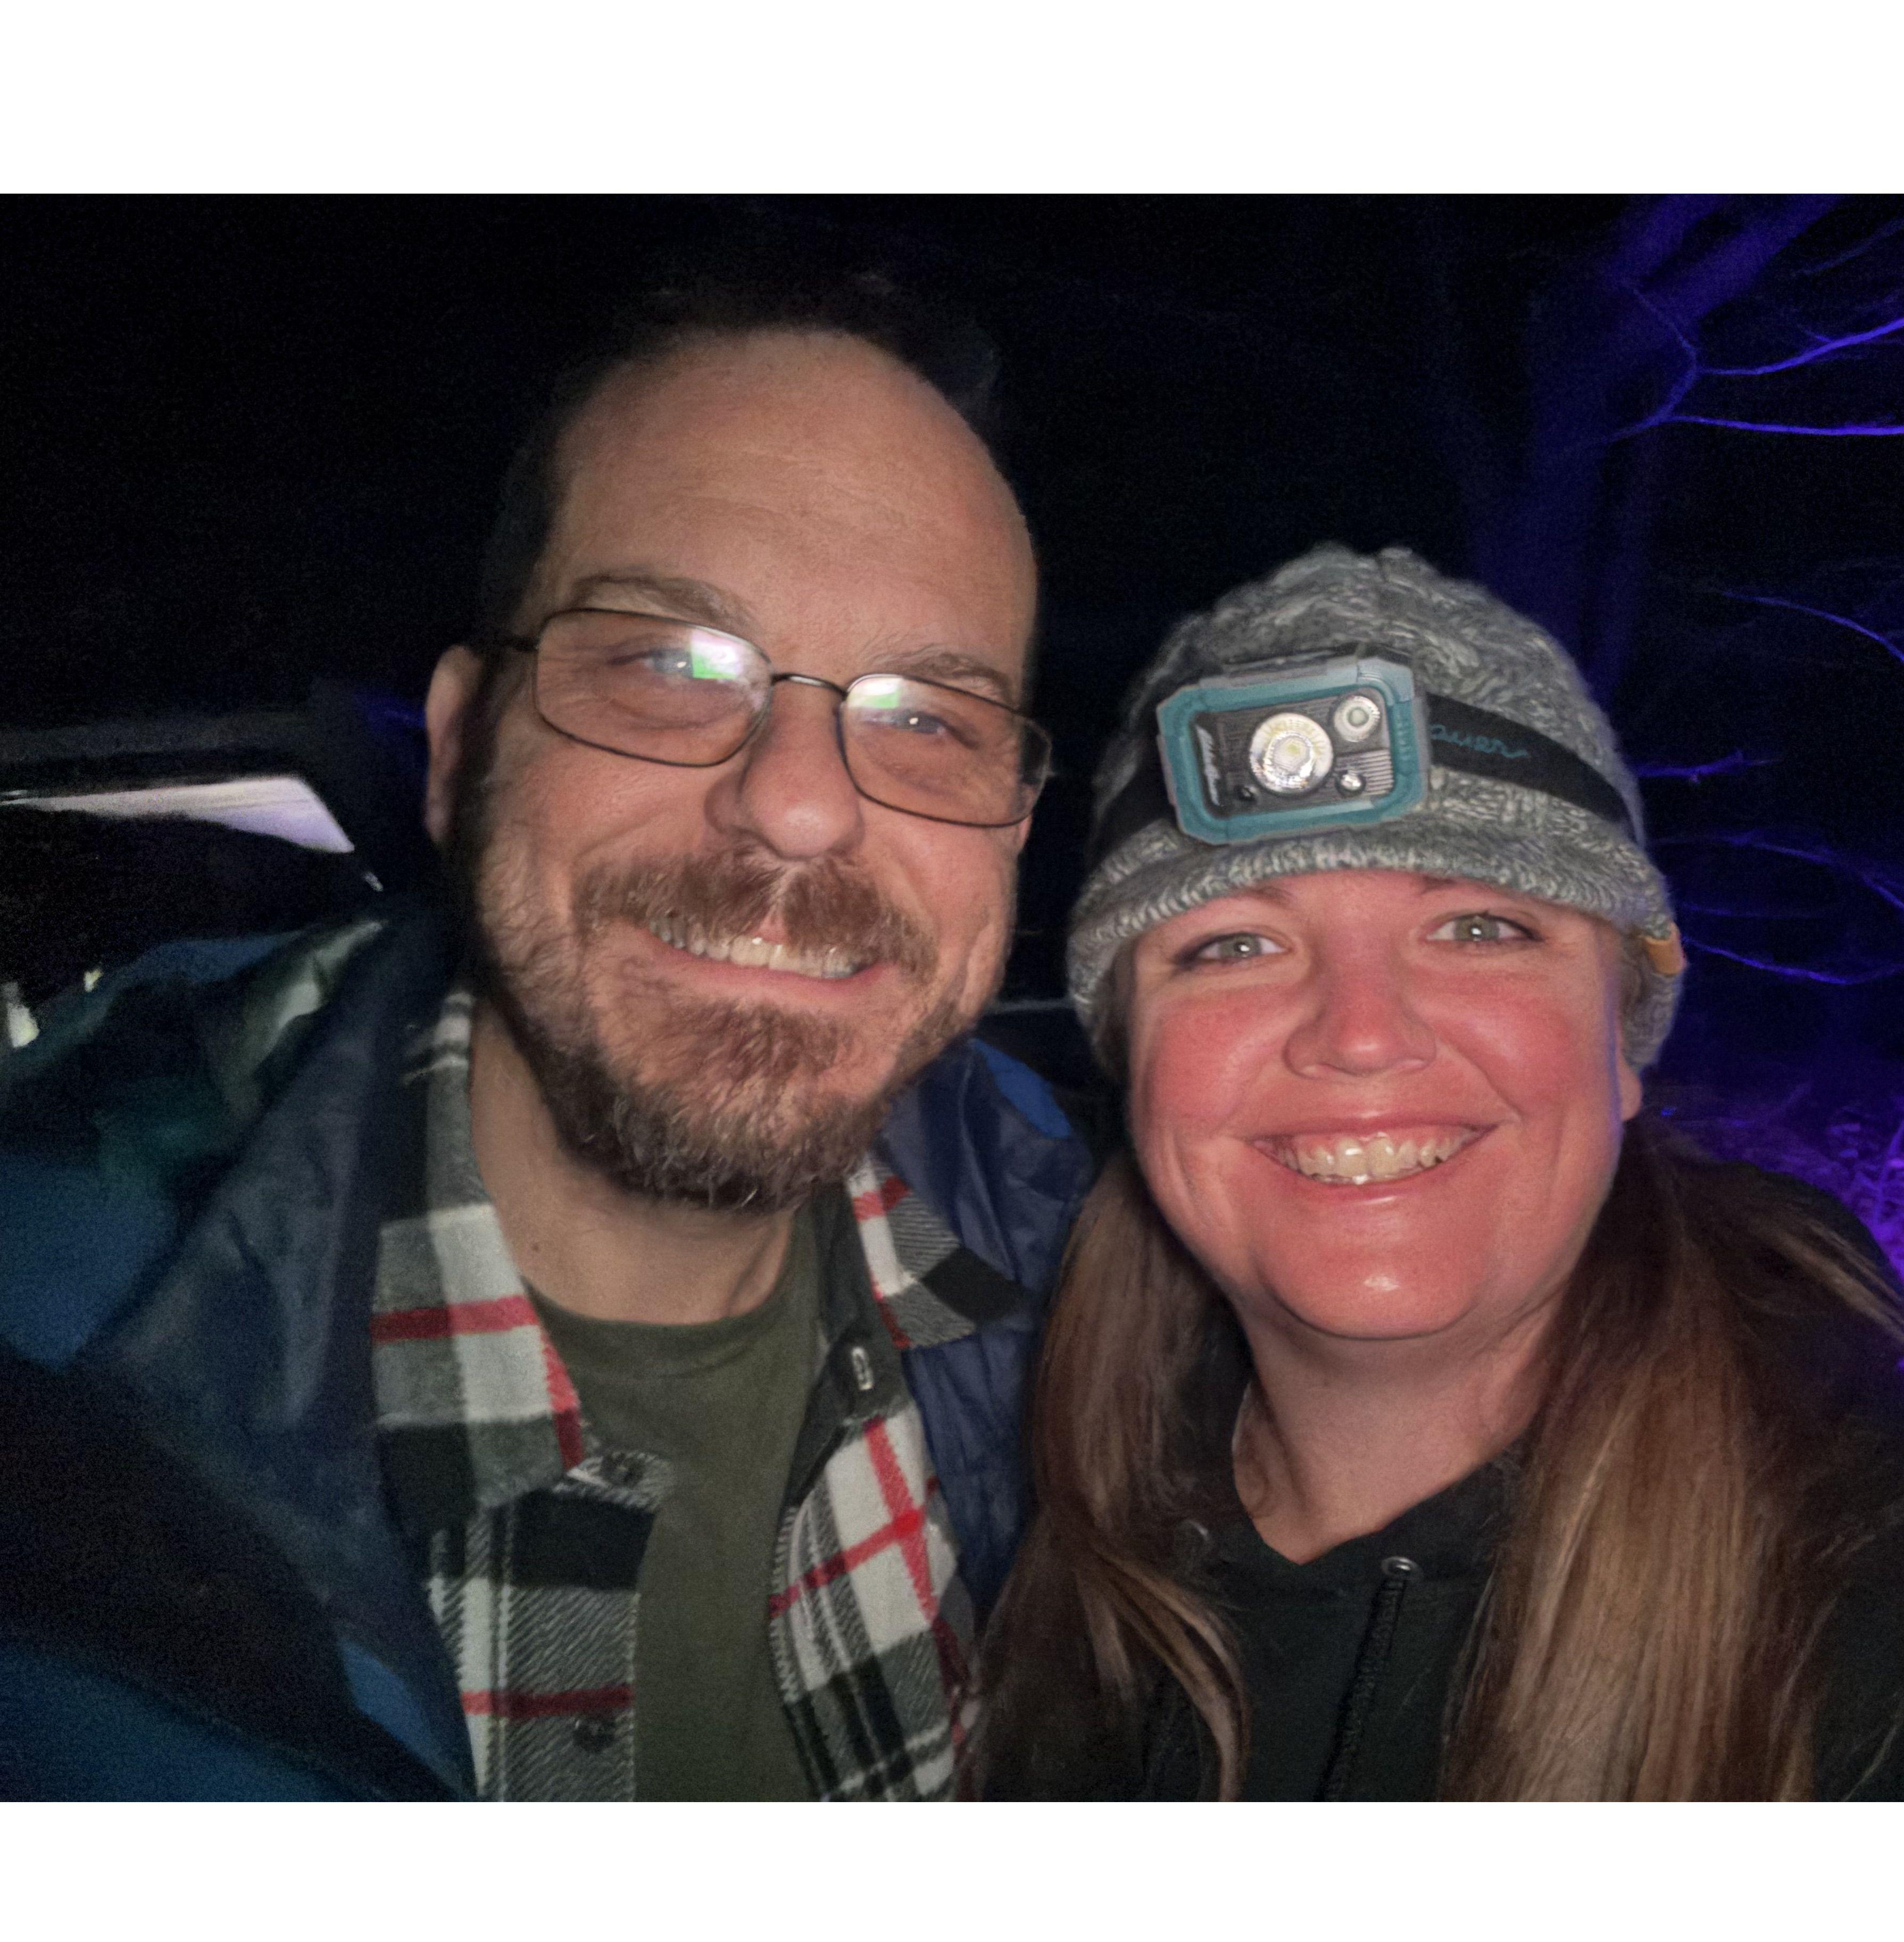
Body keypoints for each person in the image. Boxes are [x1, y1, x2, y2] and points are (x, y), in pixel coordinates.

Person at [0, 272, 1091, 1801]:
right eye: (668, 664)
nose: (800, 804)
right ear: (460, 752)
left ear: (1015, 827)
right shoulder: (52, 1401)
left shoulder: (1088, 1252)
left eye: (928, 718)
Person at [972, 544, 1904, 1801]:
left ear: (1621, 1040)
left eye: (1480, 926)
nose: (1359, 1034)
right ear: (1131, 1058)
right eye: (1234, 944)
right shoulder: (1009, 1541)